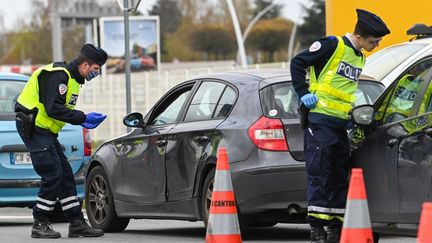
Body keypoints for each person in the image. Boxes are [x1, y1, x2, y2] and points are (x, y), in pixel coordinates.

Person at [290, 9, 390, 243]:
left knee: (337, 176)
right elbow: (297, 62)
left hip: (340, 126)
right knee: (320, 175)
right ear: (362, 36)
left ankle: (334, 228)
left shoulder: (360, 56)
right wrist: (303, 92)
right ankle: (317, 228)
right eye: (374, 41)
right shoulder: (331, 45)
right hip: (319, 121)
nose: (376, 45)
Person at [14, 44, 109, 239]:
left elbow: (56, 110)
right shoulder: (59, 76)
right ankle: (40, 222)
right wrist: (82, 117)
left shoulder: (74, 79)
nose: (96, 73)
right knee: (53, 173)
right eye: (95, 69)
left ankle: (76, 223)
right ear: (84, 65)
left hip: (45, 130)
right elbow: (53, 109)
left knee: (66, 174)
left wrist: (81, 118)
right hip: (34, 126)